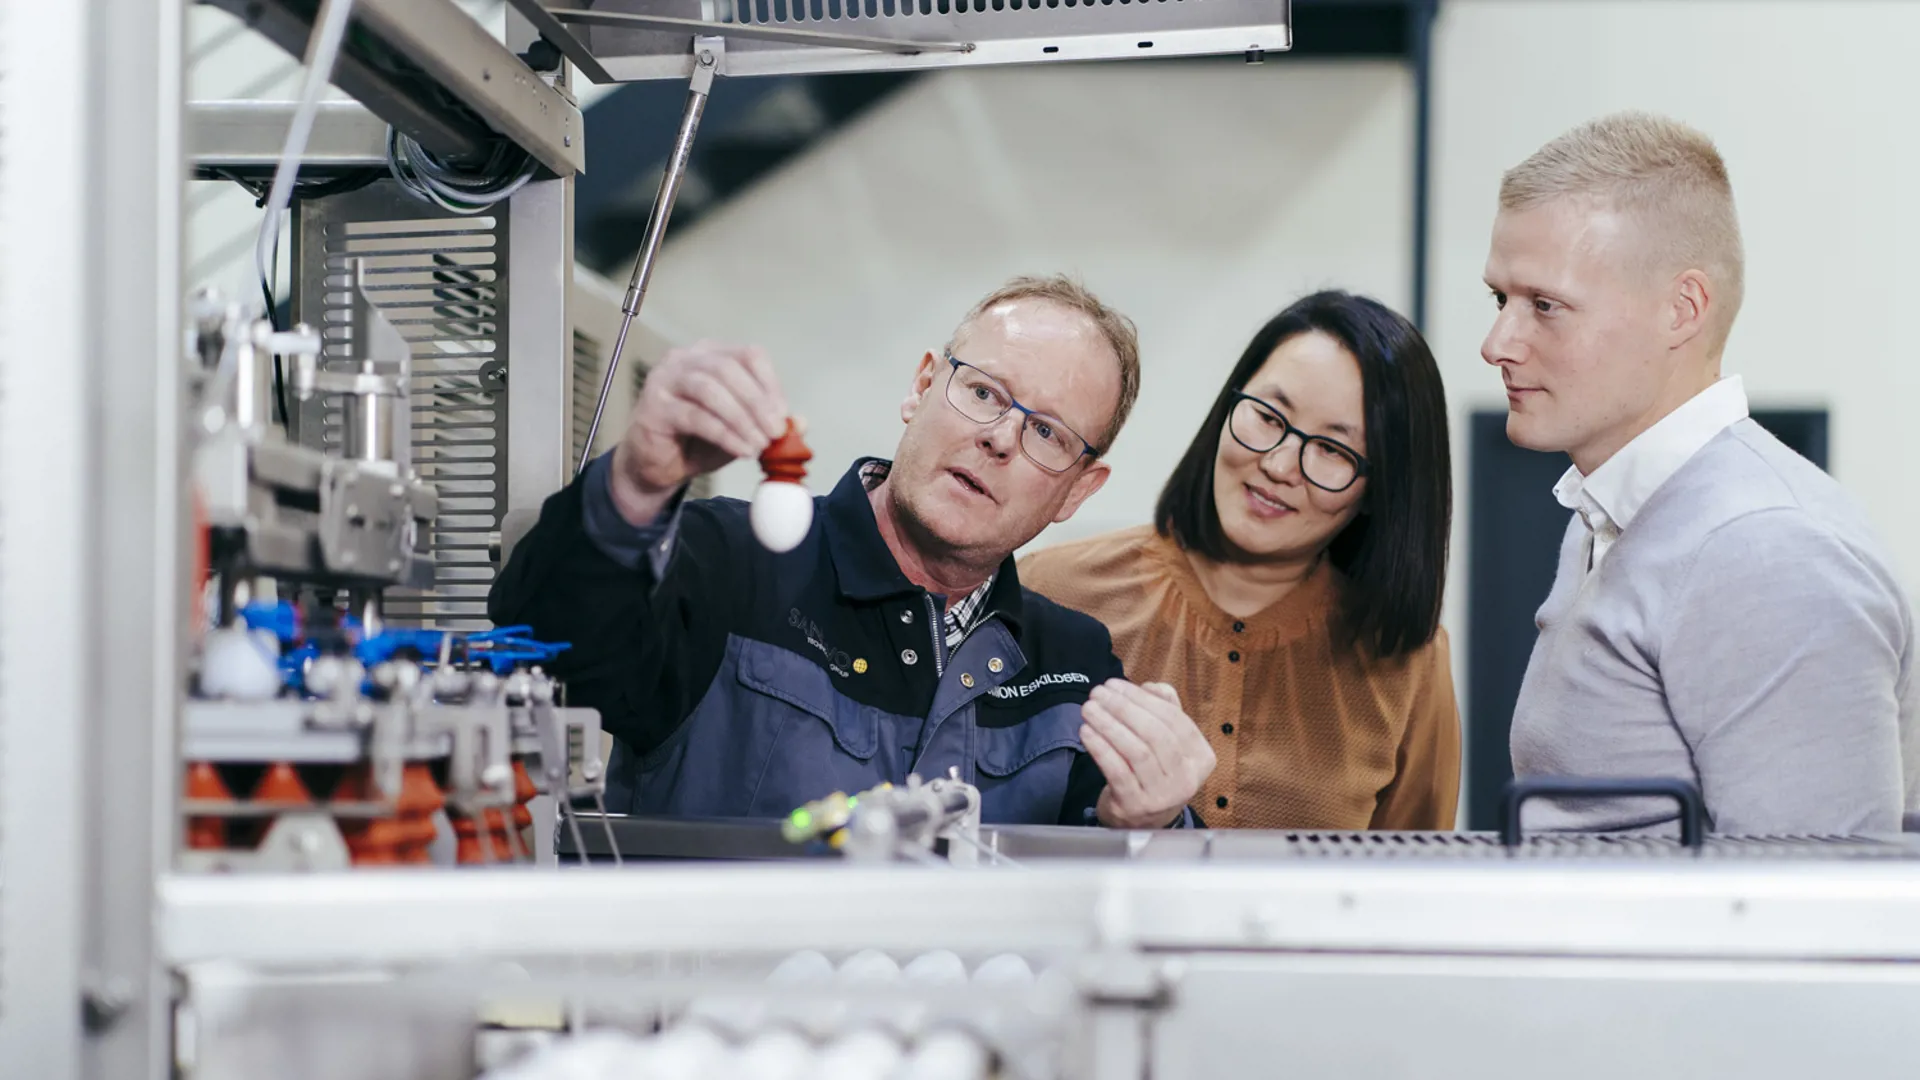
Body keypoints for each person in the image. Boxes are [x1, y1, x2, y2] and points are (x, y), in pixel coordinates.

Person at [490, 275, 1216, 828]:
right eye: (985, 393)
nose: (999, 437)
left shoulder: (1072, 667)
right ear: (921, 386)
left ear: (1077, 492)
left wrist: (1153, 821)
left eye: (1048, 433)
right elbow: (543, 642)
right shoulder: (729, 563)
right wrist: (636, 484)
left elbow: (1118, 907)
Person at [1483, 111, 1917, 834]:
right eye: (1501, 300)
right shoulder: (1611, 512)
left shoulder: (1767, 551)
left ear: (1682, 310)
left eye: (1545, 305)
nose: (1497, 342)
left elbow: (1811, 891)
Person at [1019, 291, 1459, 830]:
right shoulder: (1047, 590)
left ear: (1379, 489)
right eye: (1269, 417)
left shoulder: (1408, 661)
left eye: (1333, 450)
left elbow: (1411, 873)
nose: (1278, 465)